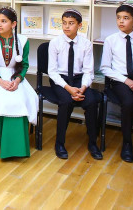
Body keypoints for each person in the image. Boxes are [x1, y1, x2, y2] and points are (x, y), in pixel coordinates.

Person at [0, 7, 38, 158]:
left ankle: (17, 147)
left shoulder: (23, 41)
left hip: (15, 77)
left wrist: (17, 80)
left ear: (13, 24)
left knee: (22, 100)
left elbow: (24, 65)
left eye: (4, 21)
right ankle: (3, 137)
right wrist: (0, 81)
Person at [100, 4, 133, 163]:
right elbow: (105, 68)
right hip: (120, 81)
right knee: (129, 102)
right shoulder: (110, 40)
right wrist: (126, 81)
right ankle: (127, 143)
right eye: (118, 18)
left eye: (126, 18)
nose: (121, 21)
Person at [48, 9, 102, 160]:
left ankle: (93, 143)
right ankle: (59, 143)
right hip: (60, 79)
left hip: (79, 79)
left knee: (91, 101)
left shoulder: (86, 44)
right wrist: (68, 89)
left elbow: (88, 71)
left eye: (71, 23)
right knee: (66, 101)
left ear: (79, 25)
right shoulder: (55, 43)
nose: (67, 26)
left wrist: (83, 88)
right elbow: (52, 72)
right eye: (64, 23)